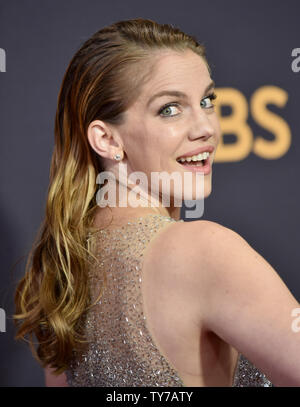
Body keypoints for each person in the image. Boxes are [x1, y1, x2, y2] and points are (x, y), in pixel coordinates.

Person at [13, 18, 300, 387]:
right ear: (107, 140)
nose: (206, 128)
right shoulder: (202, 251)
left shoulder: (64, 271)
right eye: (170, 109)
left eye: (207, 101)